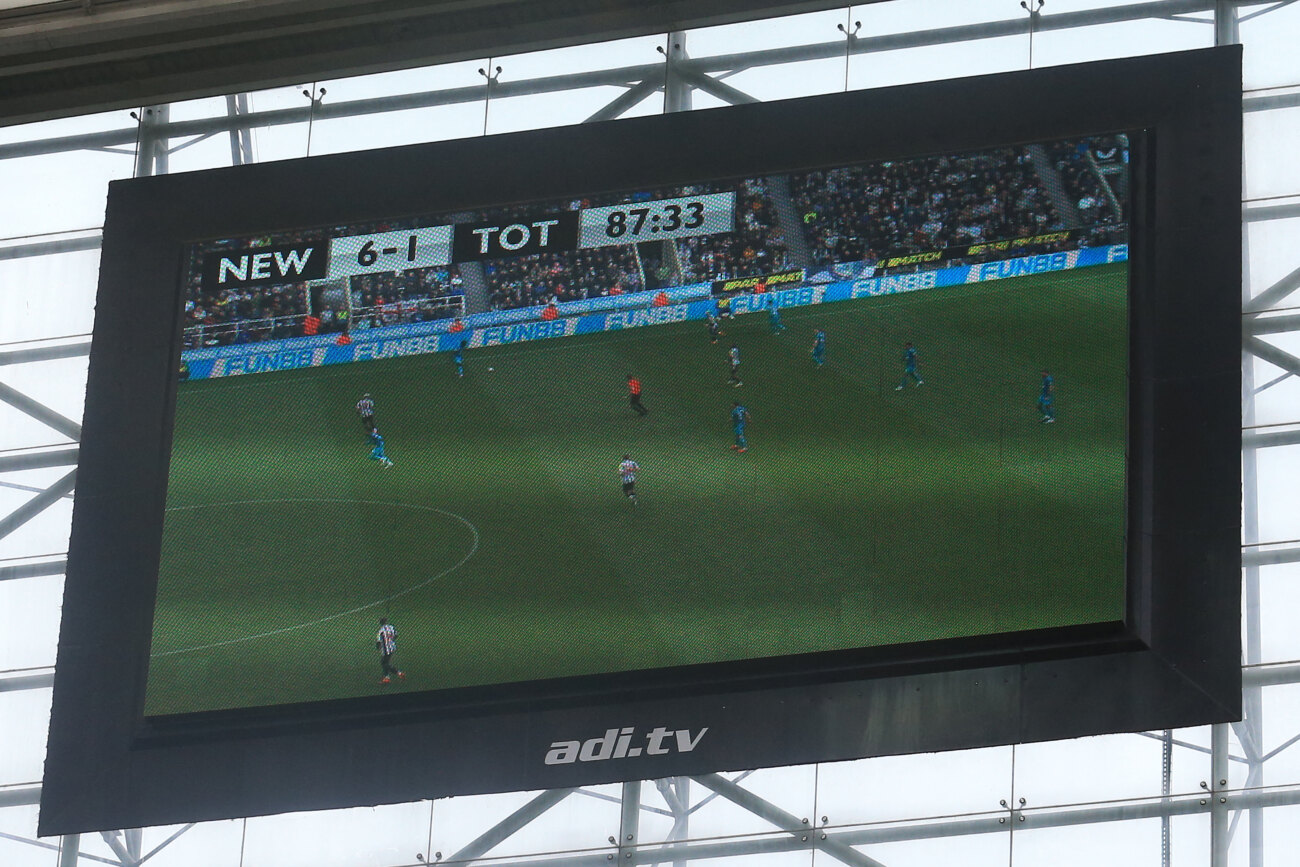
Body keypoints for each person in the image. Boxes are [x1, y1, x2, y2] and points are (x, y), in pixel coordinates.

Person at [375, 617, 404, 684]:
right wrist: (391, 640)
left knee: (384, 663)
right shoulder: (391, 627)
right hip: (392, 647)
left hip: (386, 650)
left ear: (380, 623)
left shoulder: (381, 631)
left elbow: (378, 642)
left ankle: (398, 673)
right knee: (385, 662)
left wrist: (378, 648)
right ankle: (387, 677)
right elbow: (396, 635)